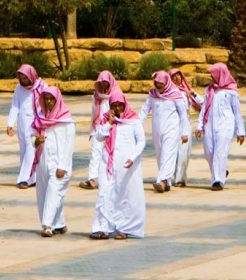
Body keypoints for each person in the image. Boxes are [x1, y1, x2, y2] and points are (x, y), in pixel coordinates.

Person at [91, 90, 146, 240]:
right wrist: (109, 123)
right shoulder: (105, 120)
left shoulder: (133, 120)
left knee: (124, 196)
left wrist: (133, 157)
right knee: (104, 194)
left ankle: (123, 228)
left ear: (124, 105)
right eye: (113, 105)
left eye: (119, 105)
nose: (117, 108)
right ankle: (102, 228)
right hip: (107, 163)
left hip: (126, 164)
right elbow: (99, 137)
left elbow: (141, 141)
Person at [32, 85, 75, 237]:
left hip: (59, 164)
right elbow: (32, 137)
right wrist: (36, 141)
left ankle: (47, 225)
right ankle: (60, 223)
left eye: (52, 99)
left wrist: (62, 166)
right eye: (46, 99)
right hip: (43, 162)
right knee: (45, 193)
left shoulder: (67, 122)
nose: (49, 102)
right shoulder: (41, 119)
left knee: (53, 192)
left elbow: (68, 147)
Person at [195, 63, 245, 191]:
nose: (211, 76)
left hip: (225, 125)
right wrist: (199, 126)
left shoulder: (231, 92)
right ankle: (222, 171)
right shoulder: (209, 90)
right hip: (209, 125)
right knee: (209, 152)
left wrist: (241, 131)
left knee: (220, 152)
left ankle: (217, 181)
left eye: (213, 73)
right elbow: (204, 108)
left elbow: (237, 112)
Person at [140, 71, 190, 193]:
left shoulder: (176, 94)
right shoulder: (152, 94)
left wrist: (184, 132)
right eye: (156, 83)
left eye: (160, 83)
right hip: (157, 131)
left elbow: (183, 115)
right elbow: (144, 110)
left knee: (168, 154)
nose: (158, 85)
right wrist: (136, 124)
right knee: (160, 156)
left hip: (172, 130)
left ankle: (161, 181)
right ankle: (167, 182)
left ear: (166, 82)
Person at [7, 64, 45, 188]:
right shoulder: (19, 88)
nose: (23, 81)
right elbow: (15, 106)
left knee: (31, 148)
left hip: (36, 124)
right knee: (24, 151)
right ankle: (31, 178)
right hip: (22, 124)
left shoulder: (41, 86)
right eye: (21, 78)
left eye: (25, 78)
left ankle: (22, 179)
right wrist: (10, 124)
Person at [80, 71, 118, 190]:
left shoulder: (116, 95)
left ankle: (112, 178)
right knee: (95, 153)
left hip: (111, 129)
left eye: (105, 83)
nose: (103, 85)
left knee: (111, 154)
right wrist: (92, 131)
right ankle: (92, 179)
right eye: (100, 83)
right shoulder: (96, 96)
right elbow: (94, 113)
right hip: (98, 129)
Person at [169, 68, 201, 187]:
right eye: (173, 77)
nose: (177, 78)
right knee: (175, 153)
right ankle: (176, 177)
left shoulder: (186, 91)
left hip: (185, 125)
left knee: (184, 152)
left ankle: (180, 179)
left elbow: (201, 104)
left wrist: (192, 94)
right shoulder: (168, 93)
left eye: (179, 76)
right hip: (173, 125)